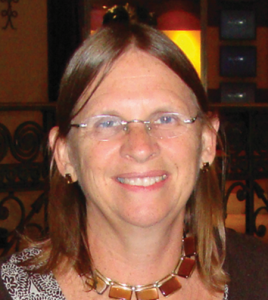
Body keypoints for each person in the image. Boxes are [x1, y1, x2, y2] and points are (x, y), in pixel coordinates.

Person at [1, 5, 268, 300]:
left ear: (206, 141)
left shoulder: (260, 276)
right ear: (65, 155)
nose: (140, 147)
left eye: (166, 118)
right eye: (107, 123)